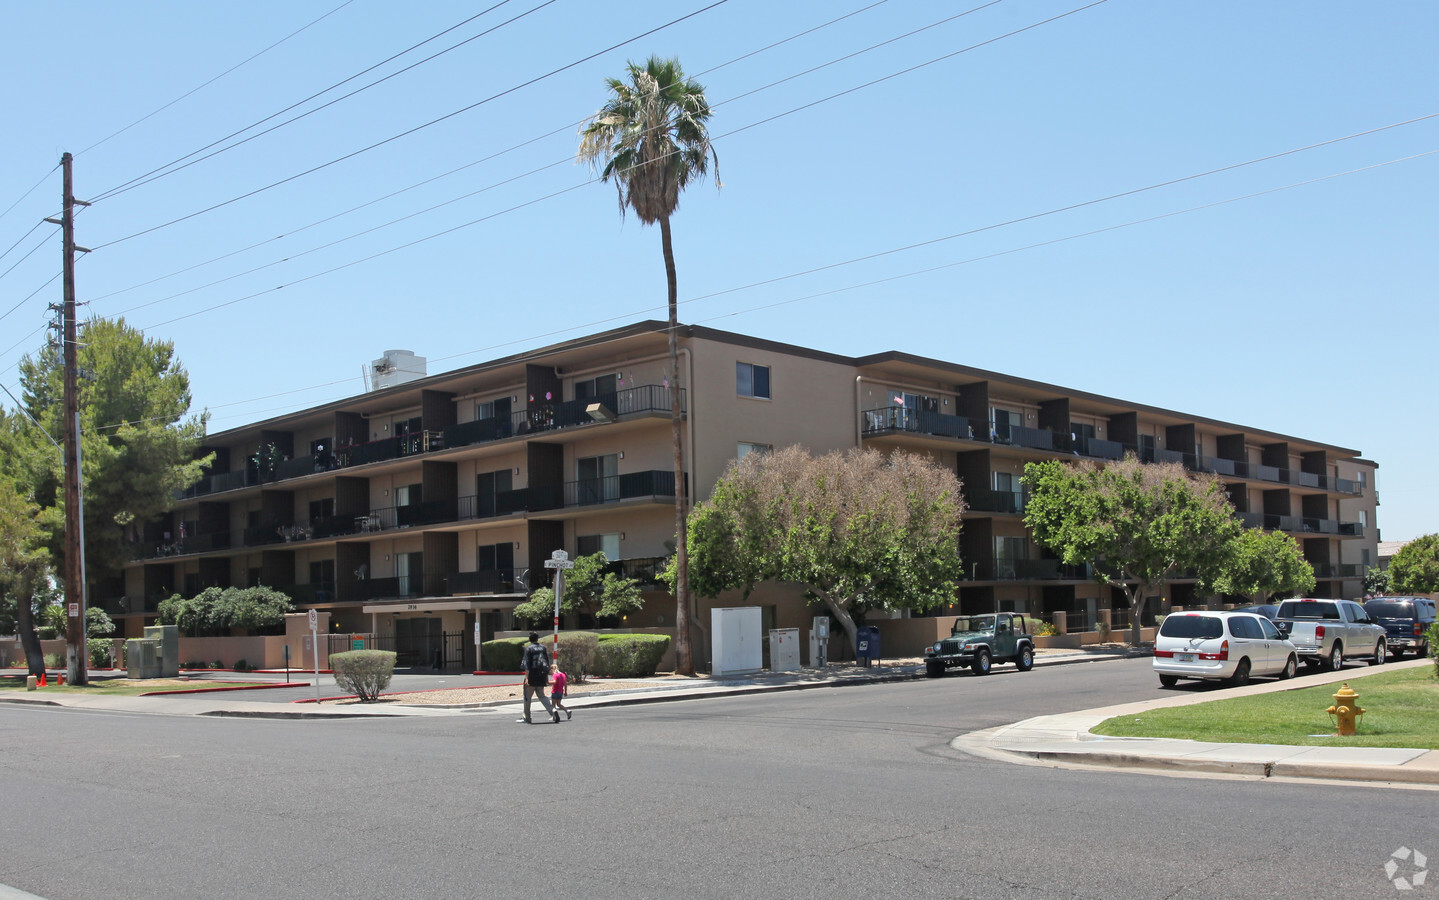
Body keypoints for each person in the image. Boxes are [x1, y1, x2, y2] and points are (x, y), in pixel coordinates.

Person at [519, 632, 559, 724]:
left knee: (527, 697)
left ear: (530, 639)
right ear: (537, 639)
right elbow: (546, 663)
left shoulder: (529, 649)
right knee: (541, 695)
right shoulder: (543, 648)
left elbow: (527, 664)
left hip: (532, 675)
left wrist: (527, 678)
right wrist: (546, 677)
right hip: (541, 675)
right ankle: (552, 710)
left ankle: (527, 717)